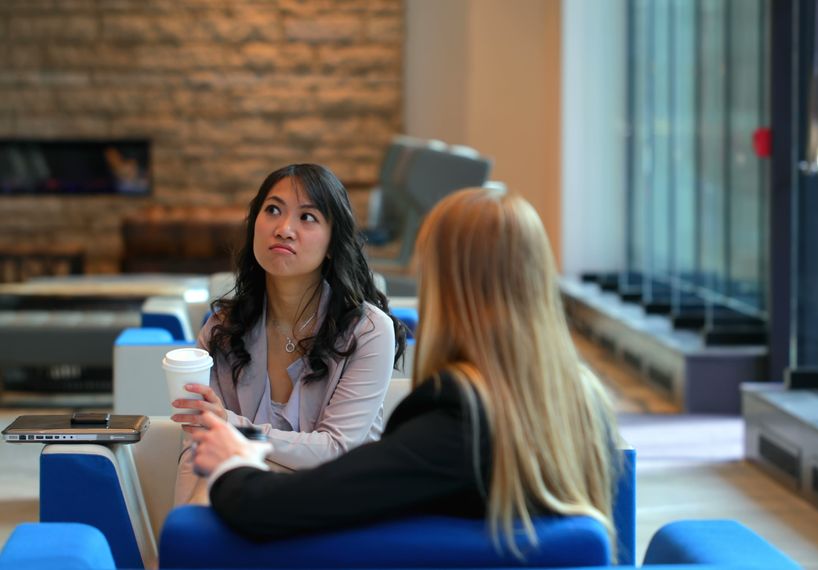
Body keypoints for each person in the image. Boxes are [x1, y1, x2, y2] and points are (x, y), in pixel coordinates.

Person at [189, 187, 619, 555]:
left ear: (450, 288)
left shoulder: (458, 418)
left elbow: (274, 508)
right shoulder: (585, 404)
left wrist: (234, 461)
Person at [173, 163, 406, 504]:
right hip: (243, 510)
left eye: (307, 217)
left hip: (337, 511)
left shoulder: (368, 330)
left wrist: (234, 429)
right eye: (273, 210)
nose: (284, 229)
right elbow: (198, 446)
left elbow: (335, 449)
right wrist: (179, 541)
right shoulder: (222, 329)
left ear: (331, 242)